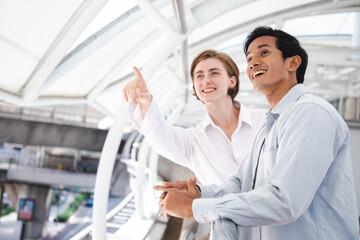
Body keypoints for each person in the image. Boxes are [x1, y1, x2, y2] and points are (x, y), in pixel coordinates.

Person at [154, 26, 360, 240]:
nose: (253, 63)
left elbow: (285, 201)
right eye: (249, 58)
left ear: (293, 63)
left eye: (264, 52)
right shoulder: (269, 126)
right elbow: (240, 183)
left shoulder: (310, 113)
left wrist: (195, 208)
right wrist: (198, 192)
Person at [123, 49, 264, 187]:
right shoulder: (193, 141)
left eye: (214, 73)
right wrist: (146, 102)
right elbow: (160, 137)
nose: (206, 81)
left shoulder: (264, 120)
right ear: (195, 87)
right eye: (199, 76)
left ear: (232, 81)